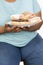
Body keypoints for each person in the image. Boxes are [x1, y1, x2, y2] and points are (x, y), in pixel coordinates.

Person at [0, 0, 43, 65]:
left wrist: (30, 26)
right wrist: (4, 29)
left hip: (31, 39)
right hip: (4, 41)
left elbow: (39, 22)